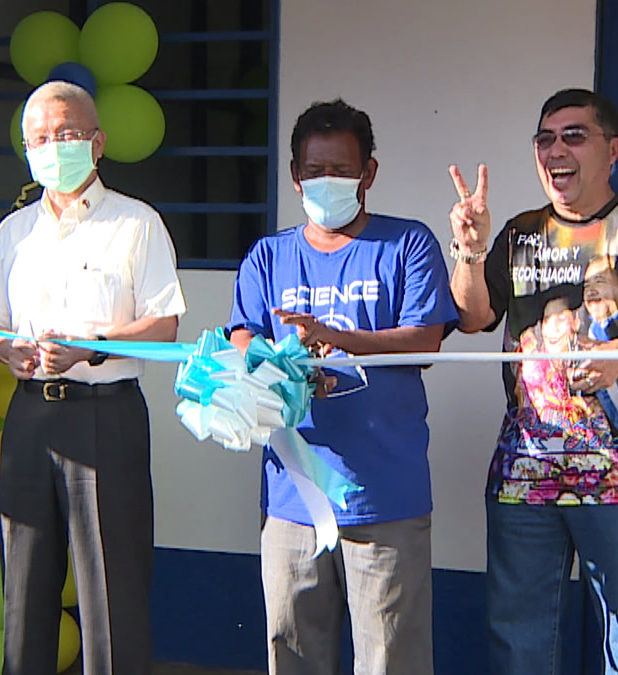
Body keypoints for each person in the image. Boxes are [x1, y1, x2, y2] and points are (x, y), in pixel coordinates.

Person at [448, 88, 618, 674]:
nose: (556, 150)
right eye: (545, 139)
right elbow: (473, 316)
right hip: (523, 474)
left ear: (613, 150)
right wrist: (471, 253)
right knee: (520, 638)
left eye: (574, 135)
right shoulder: (519, 232)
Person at [0, 80, 186, 675]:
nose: (52, 147)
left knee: (112, 588)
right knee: (25, 584)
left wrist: (92, 349)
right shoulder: (14, 232)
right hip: (31, 414)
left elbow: (164, 324)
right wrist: (5, 352)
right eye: (39, 138)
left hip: (103, 413)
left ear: (98, 142)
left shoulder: (136, 224)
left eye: (65, 134)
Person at [228, 99, 457, 674]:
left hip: (383, 497)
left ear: (369, 174)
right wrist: (274, 361)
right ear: (294, 176)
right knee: (292, 651)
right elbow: (241, 338)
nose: (326, 182)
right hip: (292, 498)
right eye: (313, 171)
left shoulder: (407, 245)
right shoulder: (268, 256)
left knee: (389, 659)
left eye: (341, 170)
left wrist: (338, 338)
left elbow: (425, 340)